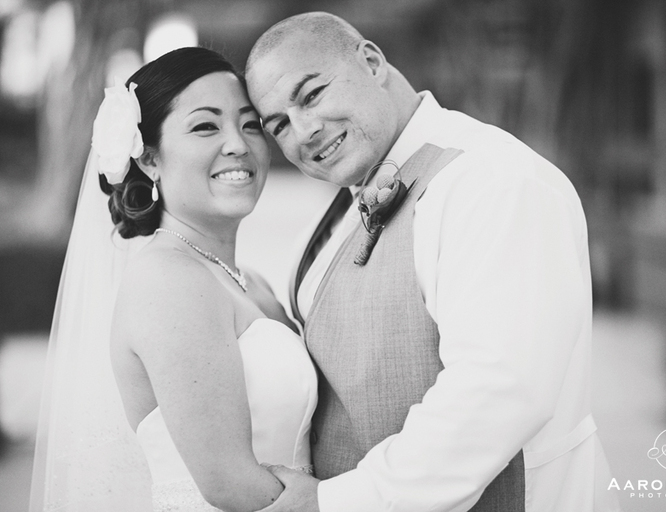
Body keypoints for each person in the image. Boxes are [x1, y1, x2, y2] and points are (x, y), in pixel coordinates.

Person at [245, 12, 619, 512]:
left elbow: (498, 391)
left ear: (371, 62)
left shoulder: (493, 182)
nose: (304, 131)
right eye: (278, 125)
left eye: (311, 95)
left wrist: (336, 502)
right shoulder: (335, 211)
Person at [29, 47, 317, 512]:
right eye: (206, 126)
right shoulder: (168, 280)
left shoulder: (249, 282)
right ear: (149, 159)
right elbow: (229, 483)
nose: (238, 144)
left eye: (251, 124)